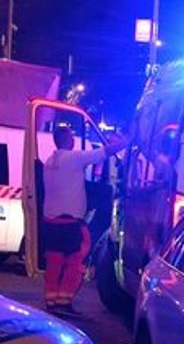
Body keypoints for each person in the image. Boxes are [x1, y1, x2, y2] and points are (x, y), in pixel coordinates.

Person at [42, 126, 124, 315]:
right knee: (75, 261)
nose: (73, 139)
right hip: (70, 223)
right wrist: (127, 141)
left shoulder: (49, 162)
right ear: (67, 140)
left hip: (51, 221)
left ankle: (51, 302)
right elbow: (104, 152)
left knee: (54, 262)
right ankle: (64, 302)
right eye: (71, 136)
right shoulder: (73, 158)